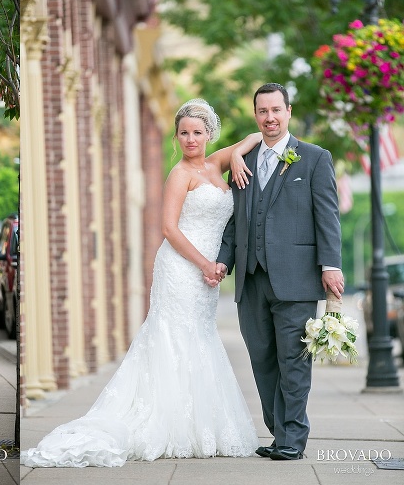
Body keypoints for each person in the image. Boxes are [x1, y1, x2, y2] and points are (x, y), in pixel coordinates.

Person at [22, 99, 262, 468]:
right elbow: (169, 228)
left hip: (206, 273)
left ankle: (200, 426)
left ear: (209, 134)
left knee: (199, 336)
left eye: (197, 132)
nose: (191, 139)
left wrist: (240, 157)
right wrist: (204, 264)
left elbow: (252, 136)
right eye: (184, 133)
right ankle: (167, 424)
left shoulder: (218, 163)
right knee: (172, 336)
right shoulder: (180, 174)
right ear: (177, 137)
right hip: (182, 267)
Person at [214, 83, 344, 461]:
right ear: (256, 116)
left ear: (288, 111)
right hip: (251, 280)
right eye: (262, 111)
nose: (269, 118)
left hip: (297, 278)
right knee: (262, 359)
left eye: (276, 110)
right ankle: (278, 430)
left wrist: (330, 265)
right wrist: (224, 260)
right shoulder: (245, 160)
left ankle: (292, 439)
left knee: (293, 361)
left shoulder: (315, 158)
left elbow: (327, 217)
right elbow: (233, 220)